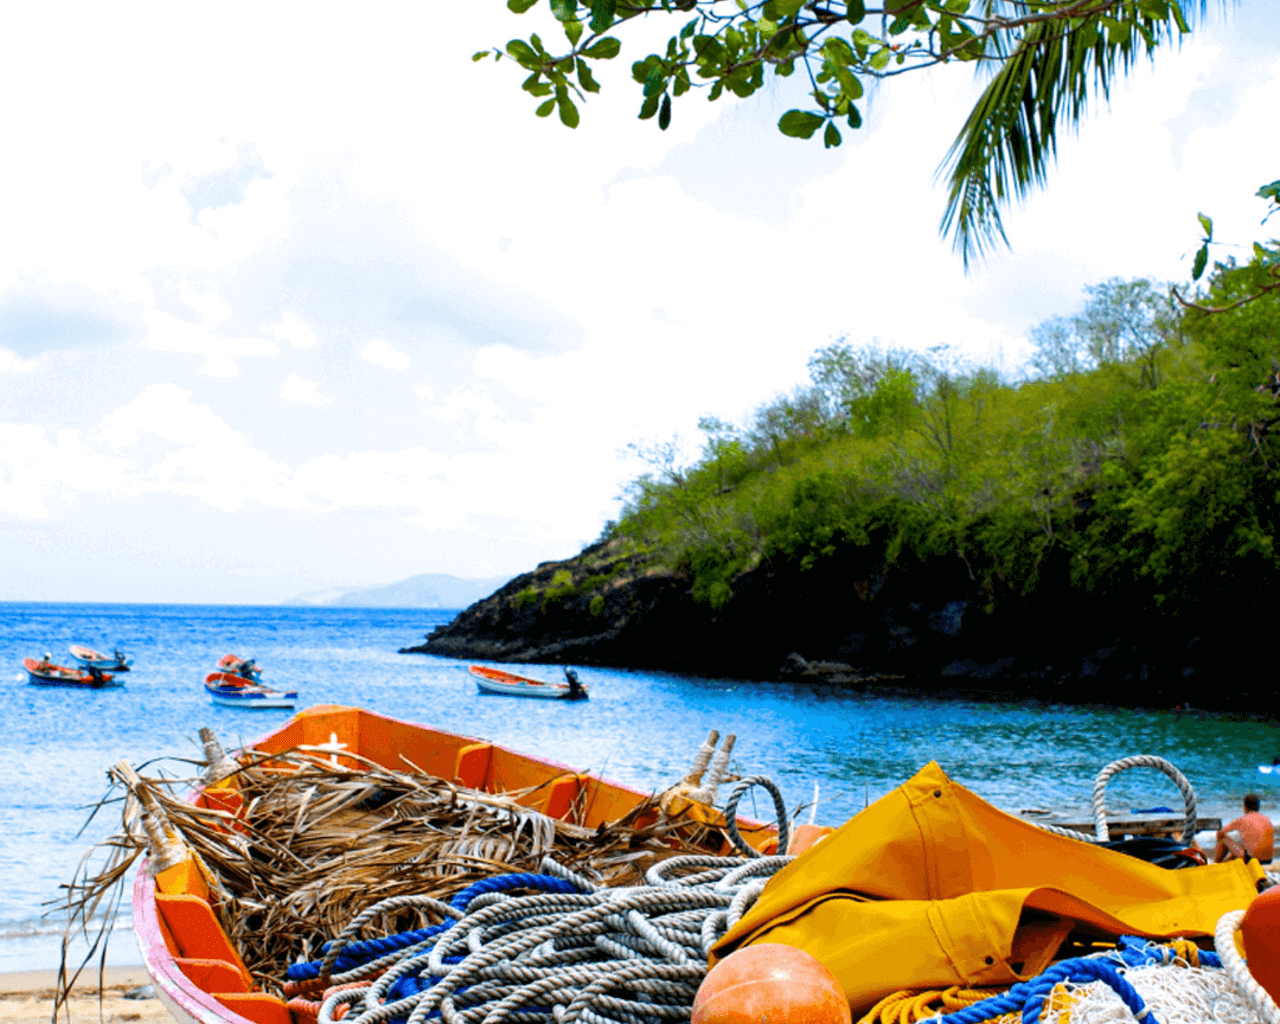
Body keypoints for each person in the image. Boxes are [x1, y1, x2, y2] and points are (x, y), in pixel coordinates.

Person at [1214, 794, 1274, 864]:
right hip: (1268, 860)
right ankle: (1225, 863)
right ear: (1258, 806)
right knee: (1244, 845)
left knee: (1223, 839)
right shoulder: (1267, 819)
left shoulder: (1242, 820)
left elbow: (1220, 833)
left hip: (1251, 860)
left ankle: (1216, 863)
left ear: (1245, 807)